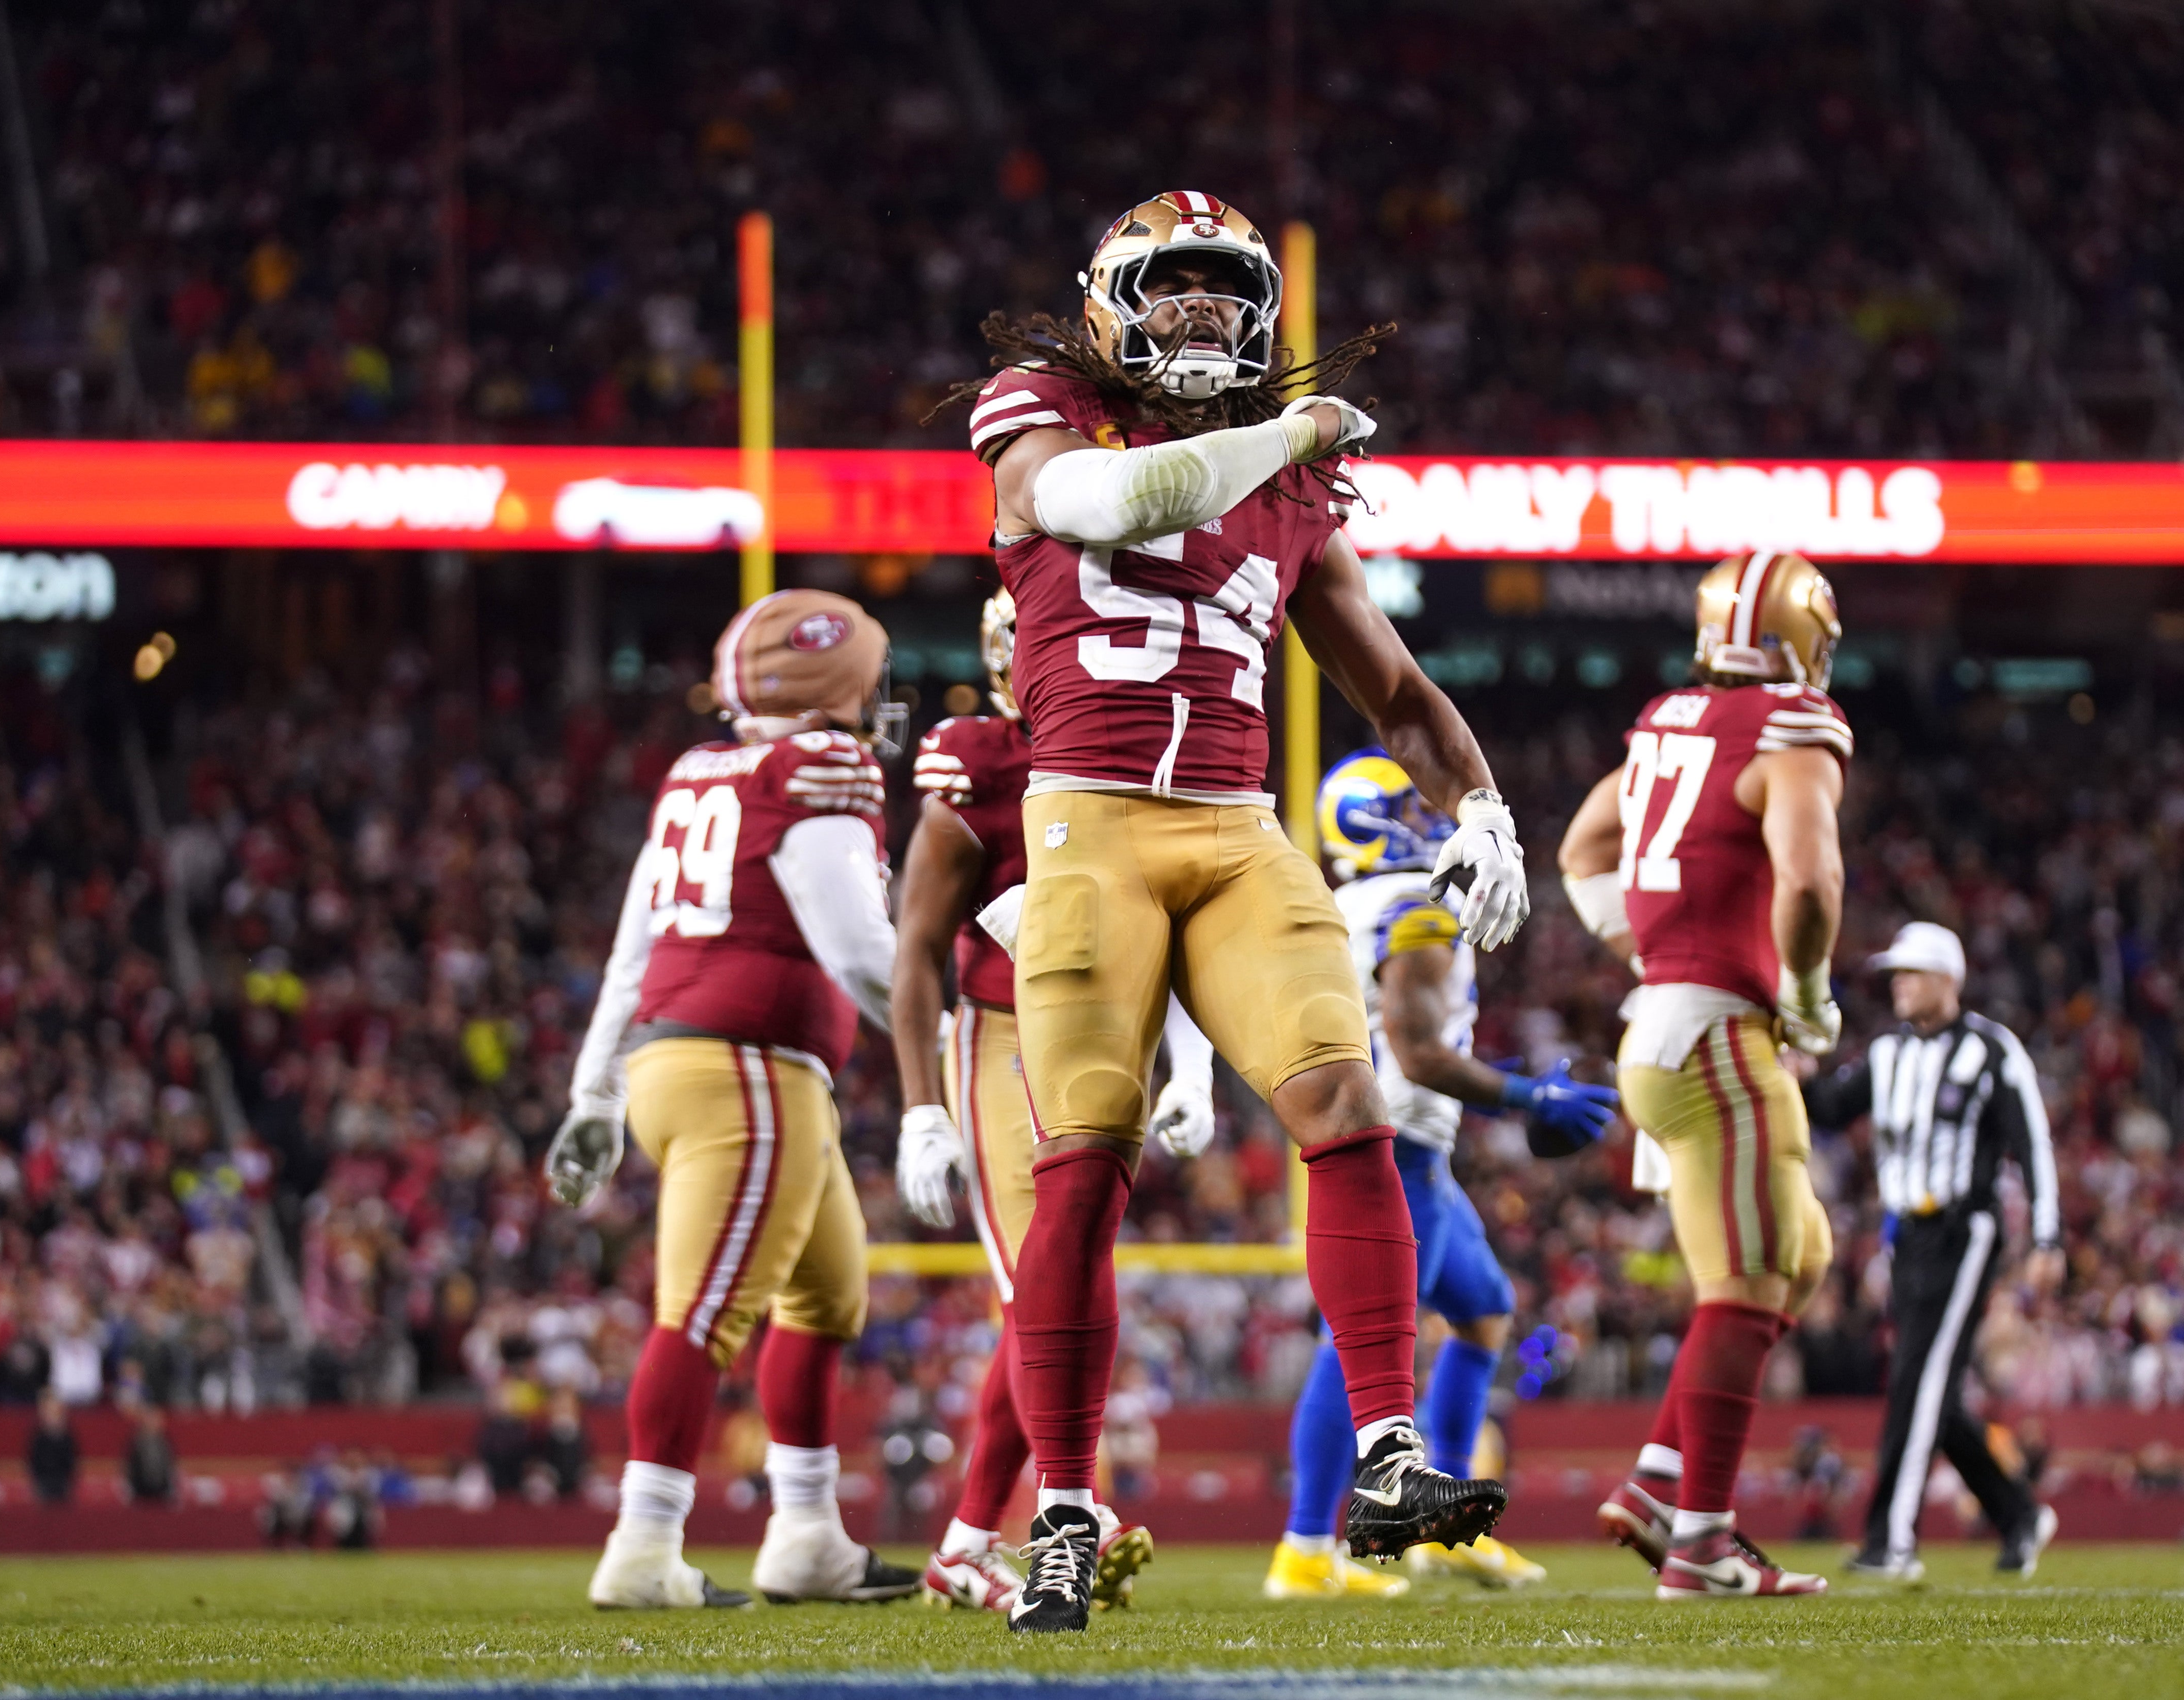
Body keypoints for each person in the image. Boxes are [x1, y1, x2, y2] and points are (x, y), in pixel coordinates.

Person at [955, 189, 1530, 1633]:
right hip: (1084, 822)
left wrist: (1480, 803)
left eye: (1226, 290)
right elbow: (1111, 503)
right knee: (1081, 1164)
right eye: (1173, 286)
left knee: (1347, 1099)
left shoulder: (1294, 490)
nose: (1202, 311)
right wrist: (1291, 433)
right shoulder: (1044, 414)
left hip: (1234, 828)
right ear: (1106, 305)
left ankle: (1390, 1455)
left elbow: (1393, 689)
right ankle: (1066, 1510)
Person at [548, 589, 917, 1610]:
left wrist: (595, 1087)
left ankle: (805, 1535)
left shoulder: (699, 770)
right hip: (745, 1070)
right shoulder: (818, 768)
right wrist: (953, 1030)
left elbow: (634, 944)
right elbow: (855, 947)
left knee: (826, 1294)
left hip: (698, 1065)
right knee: (703, 1313)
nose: (877, 698)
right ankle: (643, 1545)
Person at [1557, 550, 1849, 1600]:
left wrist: (1648, 950)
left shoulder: (1665, 723)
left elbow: (1583, 850)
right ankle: (1703, 1541)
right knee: (1748, 1278)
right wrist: (1809, 993)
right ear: (1799, 634)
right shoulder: (1795, 729)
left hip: (1666, 1030)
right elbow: (1809, 881)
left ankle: (1661, 1478)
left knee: (1797, 1252)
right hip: (1718, 1039)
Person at [1266, 751, 1615, 1600]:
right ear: (1386, 820)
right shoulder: (1413, 909)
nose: (1434, 821)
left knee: (1484, 1309)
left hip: (1407, 1149)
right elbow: (1419, 1054)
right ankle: (1306, 1545)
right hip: (1395, 1151)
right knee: (1353, 1346)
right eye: (1417, 809)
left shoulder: (1342, 902)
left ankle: (1440, 1532)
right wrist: (1526, 1093)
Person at [889, 588, 1166, 1612]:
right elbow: (916, 948)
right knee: (1037, 1290)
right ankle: (1048, 1509)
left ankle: (984, 1533)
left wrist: (1181, 1056)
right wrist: (922, 1108)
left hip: (1100, 1037)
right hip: (1004, 1033)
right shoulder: (983, 757)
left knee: (1070, 1283)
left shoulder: (1134, 753)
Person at [1801, 920, 2063, 1580]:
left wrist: (2046, 1234)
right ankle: (2017, 1513)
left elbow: (2031, 1141)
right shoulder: (1887, 1051)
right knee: (1929, 1391)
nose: (1899, 984)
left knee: (1917, 1383)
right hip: (1905, 1236)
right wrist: (1792, 1075)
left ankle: (1891, 1538)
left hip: (1963, 1230)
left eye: (1912, 973)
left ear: (1948, 979)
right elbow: (1830, 1107)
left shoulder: (1991, 1051)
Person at [27, 1386, 78, 1505]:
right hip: (43, 1483)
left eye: (56, 1412)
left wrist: (68, 1481)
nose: (53, 1416)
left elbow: (72, 1460)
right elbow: (33, 1460)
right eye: (50, 1412)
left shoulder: (68, 1437)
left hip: (63, 1484)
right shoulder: (38, 1437)